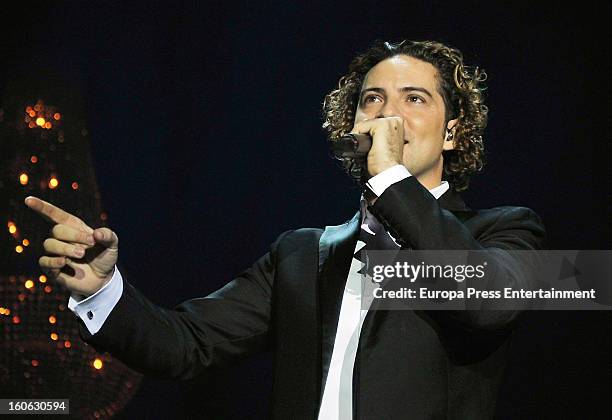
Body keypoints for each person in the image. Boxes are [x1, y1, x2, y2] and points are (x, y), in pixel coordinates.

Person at [25, 40, 546, 419]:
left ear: (452, 132)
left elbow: (486, 303)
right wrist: (103, 292)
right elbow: (187, 344)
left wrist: (390, 181)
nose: (388, 114)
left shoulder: (504, 232)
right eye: (372, 100)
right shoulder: (303, 255)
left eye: (414, 99)